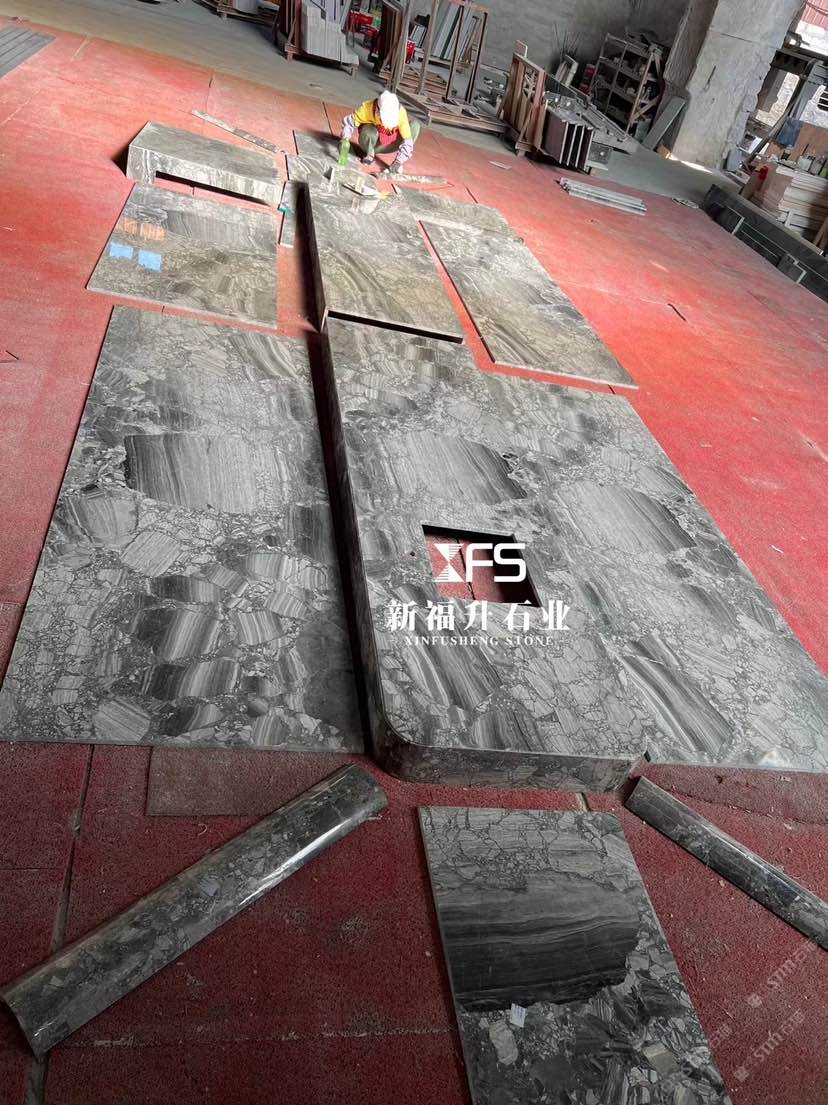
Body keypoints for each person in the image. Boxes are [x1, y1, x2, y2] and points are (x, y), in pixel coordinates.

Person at [338, 91, 420, 175]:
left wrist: (399, 161)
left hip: (390, 144)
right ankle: (370, 154)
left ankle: (397, 163)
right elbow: (349, 123)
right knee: (369, 130)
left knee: (415, 126)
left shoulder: (400, 113)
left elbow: (407, 140)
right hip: (370, 143)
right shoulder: (367, 108)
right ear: (377, 111)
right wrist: (345, 139)